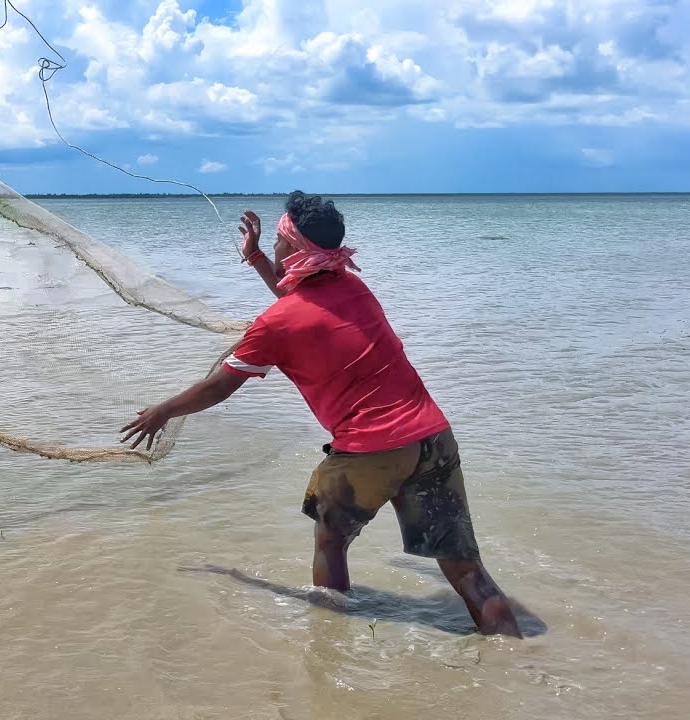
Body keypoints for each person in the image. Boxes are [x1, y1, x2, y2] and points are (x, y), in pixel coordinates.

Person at [120, 191, 521, 637]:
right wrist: (255, 259)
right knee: (465, 569)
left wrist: (163, 411)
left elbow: (220, 386)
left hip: (368, 450)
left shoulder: (275, 325)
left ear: (293, 248)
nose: (273, 247)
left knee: (331, 543)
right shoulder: (354, 288)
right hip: (432, 437)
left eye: (276, 240)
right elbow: (302, 301)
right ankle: (519, 657)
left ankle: (331, 647)